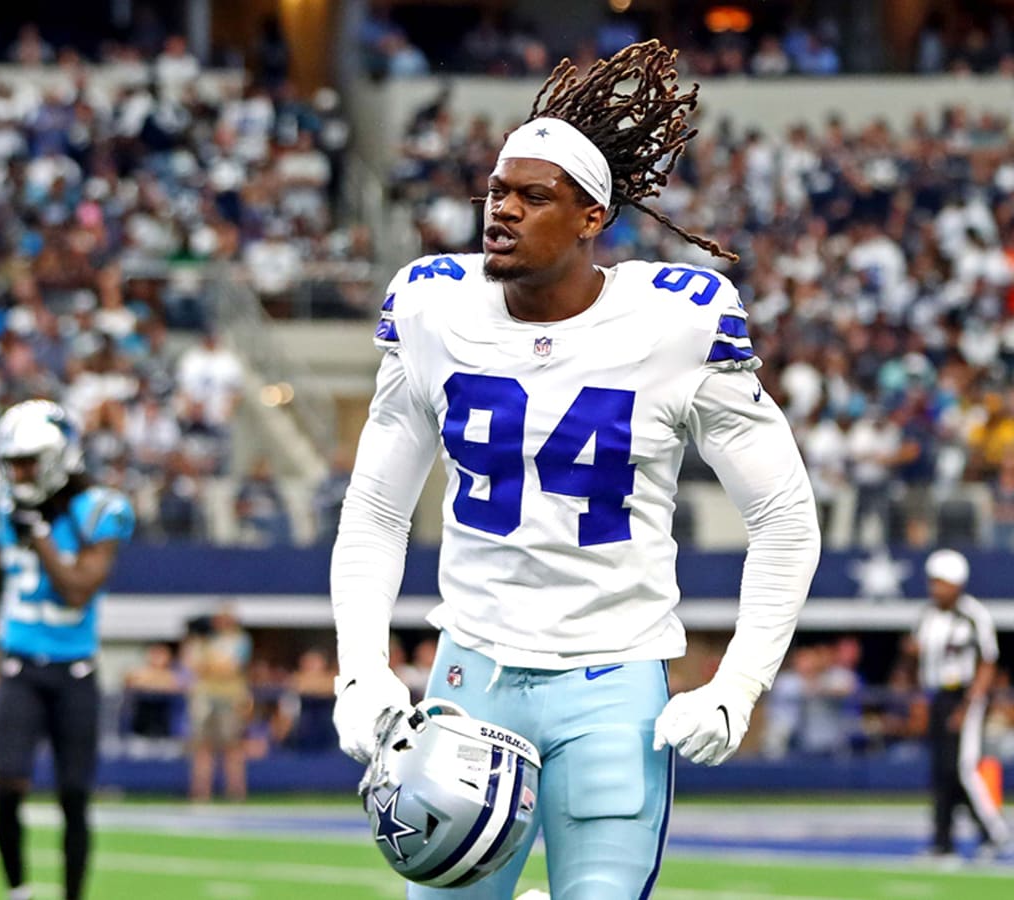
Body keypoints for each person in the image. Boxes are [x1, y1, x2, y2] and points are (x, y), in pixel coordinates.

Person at [329, 40, 821, 899]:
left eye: (533, 196)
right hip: (468, 676)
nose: (503, 210)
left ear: (593, 216)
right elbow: (375, 510)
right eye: (496, 191)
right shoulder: (433, 308)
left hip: (612, 683)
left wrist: (739, 683)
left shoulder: (676, 323)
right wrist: (360, 664)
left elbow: (784, 518)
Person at [0, 399, 135, 900]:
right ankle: (18, 892)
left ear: (57, 457)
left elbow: (78, 589)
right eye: (11, 462)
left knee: (75, 796)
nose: (17, 473)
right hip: (20, 668)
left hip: (75, 672)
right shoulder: (2, 510)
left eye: (27, 461)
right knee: (7, 785)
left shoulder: (100, 509)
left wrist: (39, 536)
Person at [909, 549, 1010, 859]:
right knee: (940, 771)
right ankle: (943, 840)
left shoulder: (973, 615)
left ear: (956, 583)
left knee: (963, 769)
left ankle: (995, 832)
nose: (935, 588)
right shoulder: (927, 615)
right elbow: (919, 656)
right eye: (932, 582)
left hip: (964, 696)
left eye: (941, 582)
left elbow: (987, 663)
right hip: (937, 695)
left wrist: (969, 705)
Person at [181, 606, 253, 801]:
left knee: (233, 745)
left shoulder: (239, 639)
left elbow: (230, 667)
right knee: (202, 746)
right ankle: (200, 792)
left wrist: (209, 664)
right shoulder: (201, 641)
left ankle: (236, 792)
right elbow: (191, 665)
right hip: (204, 696)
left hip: (230, 696)